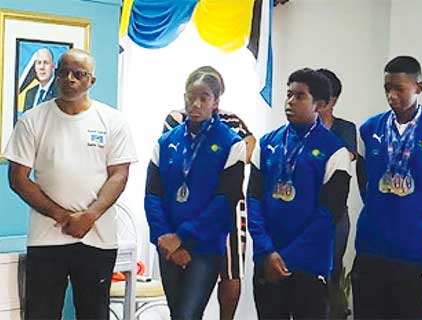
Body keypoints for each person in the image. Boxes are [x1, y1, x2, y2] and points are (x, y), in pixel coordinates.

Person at [5, 48, 137, 319]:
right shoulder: (32, 120)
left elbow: (119, 174)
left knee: (94, 313)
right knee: (41, 313)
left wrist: (90, 216)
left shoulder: (113, 121)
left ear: (91, 81)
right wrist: (62, 216)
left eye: (78, 74)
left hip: (98, 238)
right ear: (55, 75)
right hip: (47, 238)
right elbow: (17, 178)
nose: (70, 79)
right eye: (63, 72)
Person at [352, 56, 422, 319]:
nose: (391, 95)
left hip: (413, 252)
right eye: (387, 88)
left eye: (399, 88)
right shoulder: (369, 129)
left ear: (418, 87)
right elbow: (365, 183)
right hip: (370, 247)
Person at [248, 68, 351, 319]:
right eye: (288, 95)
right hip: (267, 259)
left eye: (300, 97)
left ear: (320, 104)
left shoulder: (335, 152)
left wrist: (285, 258)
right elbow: (253, 200)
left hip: (309, 263)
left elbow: (328, 214)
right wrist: (266, 251)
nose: (290, 102)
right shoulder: (267, 143)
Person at [144, 66, 246, 319]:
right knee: (177, 313)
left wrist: (183, 237)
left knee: (188, 315)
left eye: (204, 98)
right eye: (191, 97)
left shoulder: (231, 143)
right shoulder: (166, 142)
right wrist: (166, 238)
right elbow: (152, 195)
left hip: (204, 246)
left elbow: (225, 201)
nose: (196, 104)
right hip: (167, 244)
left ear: (216, 102)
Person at [315, 68, 357, 319]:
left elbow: (343, 159)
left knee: (330, 273)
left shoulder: (345, 129)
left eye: (323, 99)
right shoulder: (295, 131)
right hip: (300, 212)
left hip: (334, 216)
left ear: (333, 101)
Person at [19, 48, 58, 122]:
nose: (42, 67)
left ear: (53, 66)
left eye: (46, 63)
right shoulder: (30, 93)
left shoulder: (61, 93)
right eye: (39, 63)